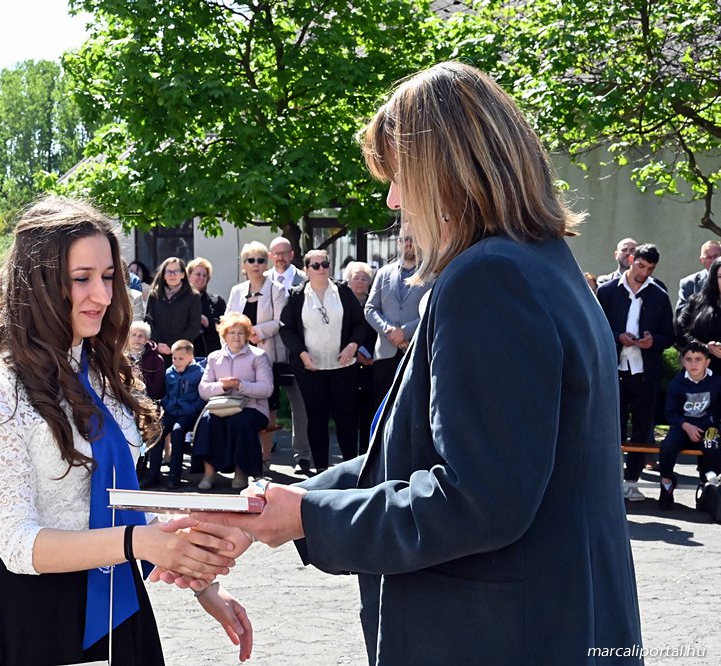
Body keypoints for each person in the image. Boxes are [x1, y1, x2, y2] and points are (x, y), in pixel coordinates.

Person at [190, 62, 643, 665]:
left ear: (449, 171)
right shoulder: (542, 264)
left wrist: (308, 517)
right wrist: (269, 504)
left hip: (501, 638)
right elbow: (415, 458)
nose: (393, 200)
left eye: (400, 177)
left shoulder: (490, 277)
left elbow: (477, 500)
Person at [0, 196, 251, 665]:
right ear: (39, 283)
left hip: (120, 605)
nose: (104, 295)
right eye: (82, 278)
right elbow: (16, 545)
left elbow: (117, 499)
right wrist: (138, 543)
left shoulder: (104, 372)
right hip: (40, 621)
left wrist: (200, 580)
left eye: (108, 276)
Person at [597, 243, 675, 501]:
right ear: (631, 260)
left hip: (644, 371)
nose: (644, 273)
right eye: (641, 266)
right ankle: (611, 480)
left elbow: (669, 335)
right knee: (612, 426)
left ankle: (631, 481)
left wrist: (654, 341)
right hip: (614, 368)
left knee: (642, 427)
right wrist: (618, 336)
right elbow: (595, 327)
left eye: (650, 269)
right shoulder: (607, 291)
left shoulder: (659, 295)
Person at [279, 249, 367, 469]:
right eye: (315, 266)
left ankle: (350, 468)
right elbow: (287, 329)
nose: (321, 269)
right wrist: (301, 353)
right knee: (316, 419)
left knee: (346, 418)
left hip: (343, 367)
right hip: (311, 369)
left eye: (325, 264)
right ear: (306, 270)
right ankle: (320, 469)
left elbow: (360, 324)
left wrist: (353, 345)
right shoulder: (297, 295)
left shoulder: (343, 292)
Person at [195, 313, 274, 491]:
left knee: (240, 421)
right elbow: (203, 390)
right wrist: (223, 386)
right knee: (207, 421)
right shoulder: (214, 357)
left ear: (247, 335)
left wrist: (240, 385)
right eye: (232, 333)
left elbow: (267, 388)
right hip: (222, 407)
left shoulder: (258, 356)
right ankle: (209, 473)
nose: (236, 337)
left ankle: (241, 472)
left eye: (241, 333)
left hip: (253, 407)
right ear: (224, 335)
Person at [226, 242, 287, 472]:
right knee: (241, 402)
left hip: (266, 354)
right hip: (239, 355)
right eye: (250, 260)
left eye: (260, 260)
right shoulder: (237, 290)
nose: (255, 264)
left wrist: (254, 332)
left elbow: (280, 321)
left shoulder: (276, 289)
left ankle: (265, 457)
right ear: (243, 265)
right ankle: (241, 457)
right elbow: (228, 320)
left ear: (266, 263)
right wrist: (236, 337)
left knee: (267, 403)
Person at [364, 224, 433, 402]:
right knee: (383, 405)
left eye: (413, 239)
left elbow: (431, 310)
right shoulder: (383, 273)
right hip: (385, 353)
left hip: (415, 350)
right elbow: (370, 309)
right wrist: (389, 331)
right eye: (405, 239)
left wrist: (405, 331)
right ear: (399, 243)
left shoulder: (431, 275)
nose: (409, 243)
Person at [264, 237, 312, 473]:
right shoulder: (262, 280)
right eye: (276, 253)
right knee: (265, 403)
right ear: (270, 256)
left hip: (296, 349)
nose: (280, 258)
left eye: (284, 253)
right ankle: (264, 453)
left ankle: (303, 455)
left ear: (292, 255)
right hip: (267, 349)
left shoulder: (305, 280)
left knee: (300, 404)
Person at [658, 342, 721, 509]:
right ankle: (666, 483)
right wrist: (685, 425)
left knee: (712, 444)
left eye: (698, 359)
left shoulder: (717, 382)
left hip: (708, 428)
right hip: (683, 427)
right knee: (667, 446)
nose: (693, 364)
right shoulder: (676, 384)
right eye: (689, 359)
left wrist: (711, 425)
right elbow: (671, 412)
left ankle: (709, 486)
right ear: (683, 362)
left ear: (707, 362)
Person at [141, 339, 205, 489]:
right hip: (171, 411)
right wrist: (165, 405)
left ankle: (174, 476)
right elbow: (166, 393)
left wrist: (195, 408)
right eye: (174, 358)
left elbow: (202, 396)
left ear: (190, 357)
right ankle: (153, 474)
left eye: (181, 359)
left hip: (188, 413)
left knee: (177, 432)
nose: (176, 362)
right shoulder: (170, 372)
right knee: (157, 432)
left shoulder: (199, 373)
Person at [342, 261, 379, 448]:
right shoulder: (340, 303)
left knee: (368, 411)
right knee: (347, 411)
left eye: (365, 279)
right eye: (356, 278)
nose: (360, 282)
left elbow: (376, 332)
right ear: (348, 281)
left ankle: (366, 451)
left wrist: (368, 353)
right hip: (347, 362)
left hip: (371, 363)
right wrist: (356, 352)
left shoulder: (375, 304)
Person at [145, 257, 201, 364]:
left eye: (176, 271)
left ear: (183, 275)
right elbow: (149, 322)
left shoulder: (193, 297)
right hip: (157, 352)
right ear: (163, 275)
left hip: (182, 354)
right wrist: (157, 343)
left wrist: (172, 345)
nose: (172, 275)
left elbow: (194, 328)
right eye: (169, 271)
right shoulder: (154, 295)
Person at [677, 257, 721, 355]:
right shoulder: (697, 302)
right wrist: (703, 347)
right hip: (701, 360)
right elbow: (680, 331)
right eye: (720, 277)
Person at [187, 257, 226, 357]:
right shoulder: (180, 301)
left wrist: (208, 322)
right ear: (189, 276)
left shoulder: (216, 301)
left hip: (210, 352)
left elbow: (224, 327)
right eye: (198, 274)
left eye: (205, 275)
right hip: (186, 354)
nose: (201, 278)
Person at [676, 240, 721, 316]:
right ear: (702, 260)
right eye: (708, 257)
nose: (713, 260)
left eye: (716, 256)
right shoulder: (689, 283)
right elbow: (681, 313)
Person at [127, 320, 166, 400]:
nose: (137, 338)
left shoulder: (157, 359)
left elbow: (158, 390)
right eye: (133, 335)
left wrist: (141, 378)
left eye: (140, 336)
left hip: (147, 401)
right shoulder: (121, 357)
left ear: (146, 339)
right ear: (128, 338)